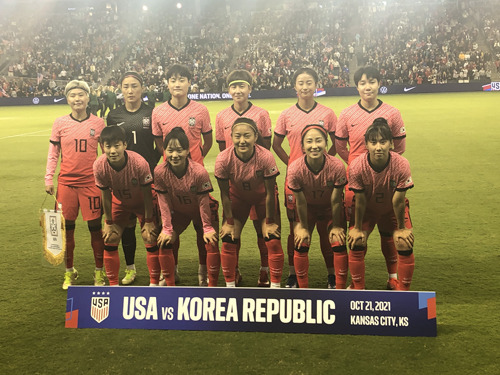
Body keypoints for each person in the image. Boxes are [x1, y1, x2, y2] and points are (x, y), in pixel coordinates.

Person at [335, 66, 406, 289]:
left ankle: (393, 277)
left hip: (386, 182)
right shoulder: (346, 114)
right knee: (358, 232)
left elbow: (400, 146)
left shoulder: (392, 113)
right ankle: (357, 284)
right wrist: (356, 165)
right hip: (357, 182)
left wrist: (385, 168)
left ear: (379, 84)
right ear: (357, 86)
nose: (368, 86)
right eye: (363, 83)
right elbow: (339, 145)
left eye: (372, 81)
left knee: (388, 230)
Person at [272, 67, 337, 288]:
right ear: (295, 87)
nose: (305, 86)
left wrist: (327, 164)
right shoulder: (286, 114)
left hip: (323, 180)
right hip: (296, 181)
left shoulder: (327, 113)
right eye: (301, 82)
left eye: (309, 82)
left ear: (316, 84)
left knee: (327, 227)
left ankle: (332, 275)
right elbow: (276, 144)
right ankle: (293, 275)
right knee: (296, 229)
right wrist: (291, 164)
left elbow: (336, 144)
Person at [152, 64, 215, 285]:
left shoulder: (200, 110)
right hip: (170, 179)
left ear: (189, 82)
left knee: (204, 228)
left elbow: (208, 140)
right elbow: (159, 142)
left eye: (182, 79)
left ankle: (203, 271)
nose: (177, 83)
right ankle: (171, 271)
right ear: (167, 83)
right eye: (173, 80)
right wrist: (171, 159)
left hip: (196, 179)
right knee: (168, 226)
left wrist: (194, 159)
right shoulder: (158, 111)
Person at [44, 80, 106, 289]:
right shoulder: (59, 123)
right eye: (73, 95)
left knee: (95, 230)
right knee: (66, 230)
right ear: (67, 99)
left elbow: (106, 156)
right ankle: (69, 273)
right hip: (66, 185)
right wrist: (48, 178)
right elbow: (54, 153)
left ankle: (99, 273)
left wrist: (107, 181)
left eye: (81, 94)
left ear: (88, 98)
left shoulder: (99, 123)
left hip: (91, 184)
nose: (77, 99)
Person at [215, 69, 273, 287]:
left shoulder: (261, 113)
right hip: (234, 184)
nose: (238, 90)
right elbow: (222, 150)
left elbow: (265, 147)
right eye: (233, 86)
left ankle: (265, 270)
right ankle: (235, 270)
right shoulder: (222, 116)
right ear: (228, 89)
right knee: (232, 229)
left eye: (242, 86)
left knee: (263, 229)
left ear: (250, 88)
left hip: (257, 181)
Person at [106, 71, 162, 285]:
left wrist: (154, 166)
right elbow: (110, 145)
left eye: (135, 86)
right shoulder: (114, 115)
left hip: (149, 178)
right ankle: (130, 268)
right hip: (123, 180)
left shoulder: (152, 112)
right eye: (126, 86)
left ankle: (158, 274)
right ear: (121, 89)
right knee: (127, 224)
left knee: (151, 225)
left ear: (142, 89)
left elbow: (158, 144)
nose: (130, 90)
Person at [215, 117, 284, 288]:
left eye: (247, 136)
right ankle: (230, 284)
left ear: (255, 136)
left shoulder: (265, 157)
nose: (242, 141)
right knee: (229, 237)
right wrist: (229, 222)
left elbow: (269, 192)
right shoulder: (223, 159)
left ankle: (268, 276)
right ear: (231, 136)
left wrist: (269, 222)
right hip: (238, 199)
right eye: (237, 136)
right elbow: (225, 194)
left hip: (263, 199)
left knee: (271, 237)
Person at [347, 118, 414, 291]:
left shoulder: (401, 164)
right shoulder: (356, 166)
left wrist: (401, 228)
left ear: (391, 143)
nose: (378, 147)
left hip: (392, 210)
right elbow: (360, 200)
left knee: (403, 242)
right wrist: (357, 228)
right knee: (357, 241)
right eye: (373, 142)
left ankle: (400, 288)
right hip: (367, 209)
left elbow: (398, 201)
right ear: (366, 144)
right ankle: (358, 288)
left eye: (383, 142)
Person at [93, 125, 161, 286]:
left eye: (117, 146)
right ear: (102, 147)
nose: (113, 151)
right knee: (110, 237)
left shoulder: (138, 162)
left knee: (150, 236)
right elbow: (105, 195)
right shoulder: (99, 165)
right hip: (120, 202)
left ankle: (154, 284)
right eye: (108, 146)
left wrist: (149, 220)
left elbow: (146, 192)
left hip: (142, 201)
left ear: (125, 145)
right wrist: (108, 223)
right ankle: (113, 286)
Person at [154, 127, 220, 286]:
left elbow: (203, 202)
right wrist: (167, 229)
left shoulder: (198, 172)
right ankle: (171, 280)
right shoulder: (159, 171)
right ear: (164, 150)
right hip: (179, 212)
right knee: (165, 241)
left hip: (201, 210)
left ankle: (206, 278)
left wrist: (207, 227)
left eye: (179, 150)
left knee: (209, 241)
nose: (174, 155)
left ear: (187, 150)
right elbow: (163, 201)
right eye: (170, 150)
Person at [287, 125, 348, 288]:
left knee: (337, 240)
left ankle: (336, 281)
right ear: (302, 145)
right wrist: (303, 227)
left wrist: (336, 226)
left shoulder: (336, 166)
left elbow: (336, 200)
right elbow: (300, 202)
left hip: (330, 210)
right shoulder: (294, 168)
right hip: (307, 210)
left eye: (319, 140)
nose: (314, 145)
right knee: (301, 240)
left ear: (326, 143)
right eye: (309, 141)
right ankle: (302, 287)